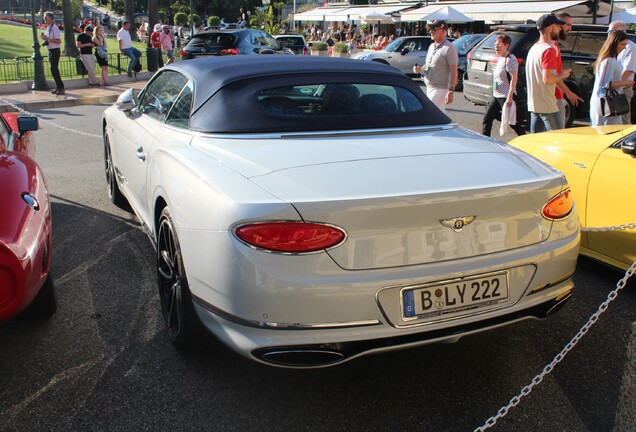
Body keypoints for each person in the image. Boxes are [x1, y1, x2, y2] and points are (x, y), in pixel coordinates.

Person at [525, 14, 571, 133]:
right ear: (549, 29)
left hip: (534, 103)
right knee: (557, 138)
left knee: (535, 141)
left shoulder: (534, 48)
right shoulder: (548, 50)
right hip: (547, 105)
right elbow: (548, 79)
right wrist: (563, 75)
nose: (560, 28)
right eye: (557, 26)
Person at [481, 34, 526, 137]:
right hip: (497, 95)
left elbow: (514, 78)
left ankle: (524, 138)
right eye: (495, 44)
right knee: (487, 118)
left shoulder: (510, 59)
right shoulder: (501, 58)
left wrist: (510, 96)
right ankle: (485, 140)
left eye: (499, 45)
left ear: (506, 45)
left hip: (505, 96)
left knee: (512, 122)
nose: (496, 47)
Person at [412, 20, 458, 114]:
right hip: (430, 86)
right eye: (430, 30)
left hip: (440, 88)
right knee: (439, 114)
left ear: (443, 31)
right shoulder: (432, 46)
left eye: (434, 29)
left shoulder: (449, 48)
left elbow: (454, 70)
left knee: (427, 111)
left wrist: (451, 91)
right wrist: (419, 69)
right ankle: (448, 128)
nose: (431, 32)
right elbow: (428, 66)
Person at [589, 30, 634, 126]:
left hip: (609, 103)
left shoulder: (611, 59)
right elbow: (604, 85)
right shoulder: (608, 61)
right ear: (614, 43)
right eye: (622, 44)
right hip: (605, 104)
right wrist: (625, 83)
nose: (624, 47)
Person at [554, 13, 583, 127]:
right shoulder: (551, 47)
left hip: (551, 97)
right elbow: (552, 76)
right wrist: (569, 93)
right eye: (567, 25)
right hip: (553, 98)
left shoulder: (554, 45)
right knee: (555, 135)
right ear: (558, 25)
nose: (570, 28)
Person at [609, 21, 636, 124]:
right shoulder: (615, 47)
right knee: (614, 120)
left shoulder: (630, 47)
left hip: (623, 89)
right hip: (616, 87)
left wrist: (617, 85)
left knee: (622, 121)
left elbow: (627, 71)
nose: (609, 34)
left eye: (611, 31)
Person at [41, 11, 64, 95]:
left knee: (54, 69)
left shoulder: (54, 27)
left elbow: (58, 41)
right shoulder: (48, 27)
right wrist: (46, 39)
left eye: (45, 17)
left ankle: (61, 87)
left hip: (55, 50)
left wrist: (48, 39)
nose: (44, 19)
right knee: (53, 69)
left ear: (50, 18)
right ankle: (58, 87)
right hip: (50, 50)